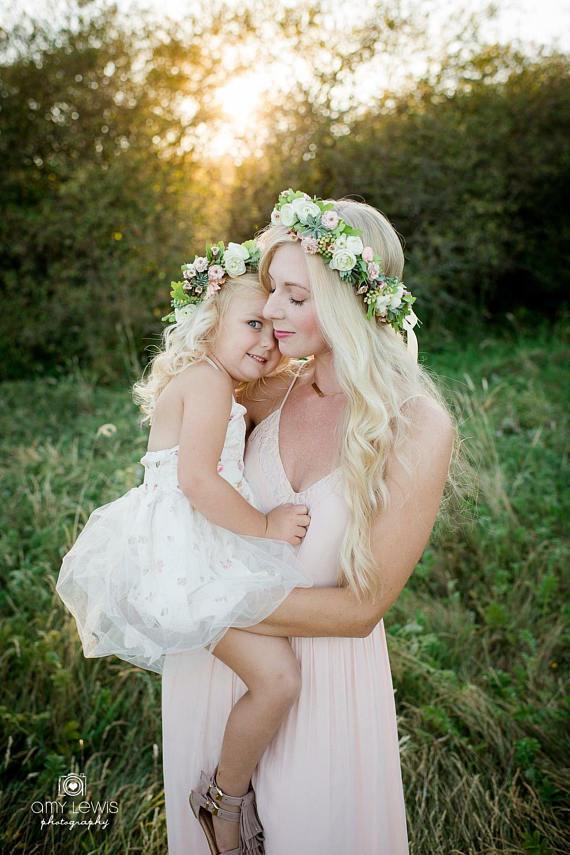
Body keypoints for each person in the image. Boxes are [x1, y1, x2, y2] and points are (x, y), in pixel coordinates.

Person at [161, 191, 456, 855]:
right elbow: (176, 467)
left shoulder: (414, 425)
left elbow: (360, 608)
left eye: (296, 296)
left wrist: (209, 599)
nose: (269, 310)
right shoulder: (266, 388)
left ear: (352, 302)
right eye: (271, 289)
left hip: (324, 690)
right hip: (215, 674)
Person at [56, 244, 319, 855]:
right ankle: (223, 801)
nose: (266, 343)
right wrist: (265, 525)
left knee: (276, 675)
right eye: (252, 324)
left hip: (196, 548)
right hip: (184, 560)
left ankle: (228, 794)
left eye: (274, 332)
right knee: (277, 680)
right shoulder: (204, 383)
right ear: (209, 323)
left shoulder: (211, 380)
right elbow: (198, 481)